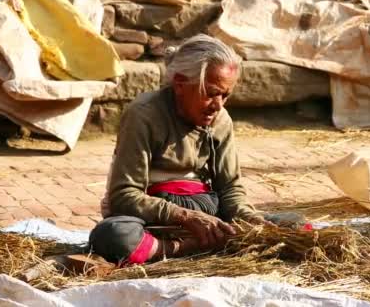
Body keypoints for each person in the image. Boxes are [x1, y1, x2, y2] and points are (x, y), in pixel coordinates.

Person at [89, 34, 267, 265]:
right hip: (154, 222)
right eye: (211, 93)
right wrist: (185, 216)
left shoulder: (221, 120)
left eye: (225, 95)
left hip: (209, 218)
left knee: (294, 224)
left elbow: (230, 188)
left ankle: (201, 243)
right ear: (181, 84)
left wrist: (249, 219)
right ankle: (185, 248)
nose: (219, 105)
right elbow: (124, 195)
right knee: (112, 236)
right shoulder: (144, 114)